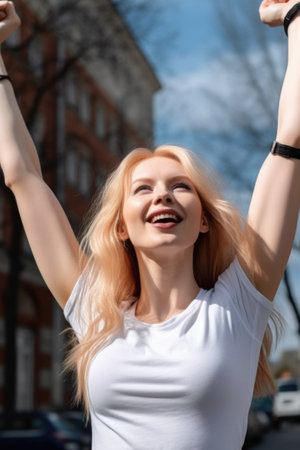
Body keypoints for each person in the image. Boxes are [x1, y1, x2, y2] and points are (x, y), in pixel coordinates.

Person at [0, 0, 299, 448]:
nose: (162, 194)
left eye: (181, 187)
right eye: (142, 189)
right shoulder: (95, 311)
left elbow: (292, 138)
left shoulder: (239, 303)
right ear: (121, 226)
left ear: (202, 220)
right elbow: (21, 173)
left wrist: (296, 19)